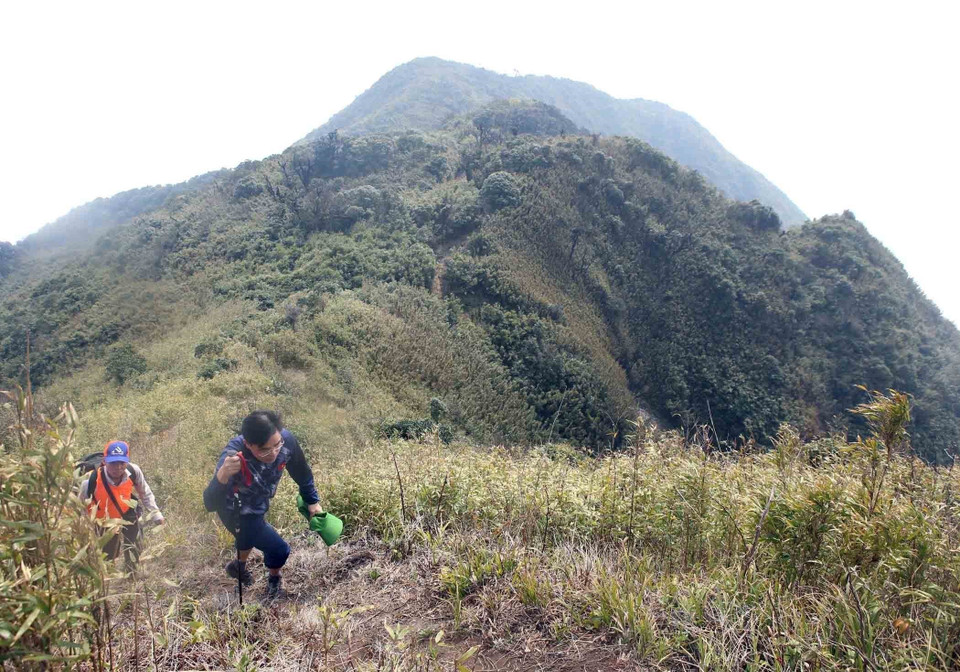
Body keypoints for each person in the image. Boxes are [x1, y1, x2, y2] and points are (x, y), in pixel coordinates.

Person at [203, 410, 322, 598]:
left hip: (258, 503)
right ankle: (275, 578)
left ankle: (238, 567)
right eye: (264, 450)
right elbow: (209, 502)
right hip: (234, 510)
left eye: (276, 445)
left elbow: (301, 471)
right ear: (248, 444)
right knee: (278, 549)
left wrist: (312, 500)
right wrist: (223, 474)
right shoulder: (234, 455)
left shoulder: (286, 441)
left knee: (248, 538)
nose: (273, 453)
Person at [79, 440, 165, 570]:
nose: (118, 467)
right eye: (113, 463)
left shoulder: (133, 471)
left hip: (127, 511)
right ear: (105, 461)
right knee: (108, 556)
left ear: (127, 461)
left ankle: (132, 575)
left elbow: (145, 493)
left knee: (134, 546)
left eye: (122, 462)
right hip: (104, 521)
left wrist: (156, 514)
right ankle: (108, 579)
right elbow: (81, 507)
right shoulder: (90, 481)